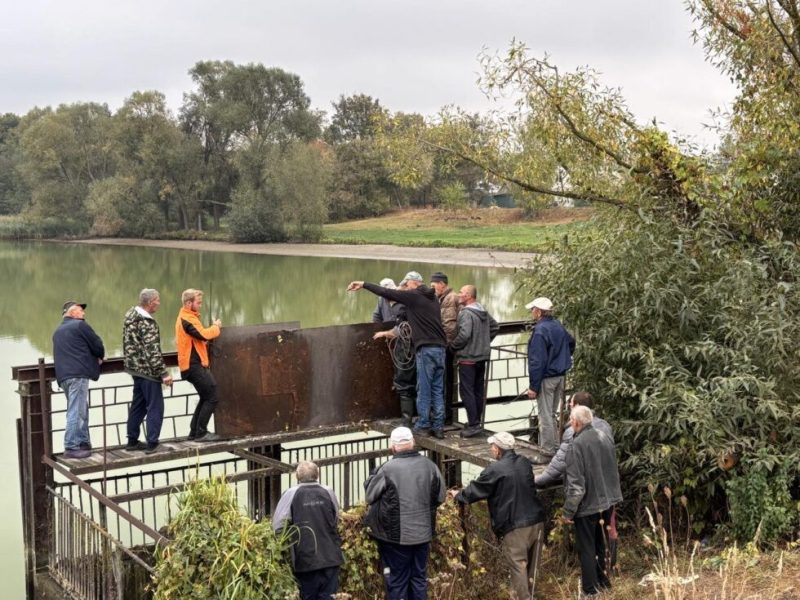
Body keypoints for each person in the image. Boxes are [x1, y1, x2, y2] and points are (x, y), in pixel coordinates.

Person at [348, 273, 447, 439]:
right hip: (440, 348)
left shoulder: (414, 296)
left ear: (413, 283)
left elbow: (387, 293)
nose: (405, 288)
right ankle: (438, 427)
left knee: (423, 389)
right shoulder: (433, 298)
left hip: (426, 349)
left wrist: (364, 284)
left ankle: (423, 424)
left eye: (407, 285)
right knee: (437, 390)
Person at [451, 432, 545, 600]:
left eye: (492, 446)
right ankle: (532, 595)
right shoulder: (524, 462)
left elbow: (476, 490)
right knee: (533, 568)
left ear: (498, 449)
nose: (491, 449)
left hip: (515, 525)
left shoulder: (495, 469)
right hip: (537, 520)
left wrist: (458, 495)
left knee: (518, 567)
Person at [364, 426, 445, 600]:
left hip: (395, 538)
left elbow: (370, 497)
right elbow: (440, 497)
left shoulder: (387, 469)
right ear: (413, 443)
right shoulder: (430, 466)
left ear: (392, 446)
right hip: (423, 534)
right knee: (419, 579)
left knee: (397, 581)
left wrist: (371, 479)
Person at [562, 405, 622, 598]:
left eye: (571, 420)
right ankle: (603, 582)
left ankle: (589, 590)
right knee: (599, 543)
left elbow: (576, 486)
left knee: (586, 547)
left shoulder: (575, 445)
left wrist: (568, 511)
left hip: (588, 504)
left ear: (576, 423)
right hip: (608, 499)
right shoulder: (604, 436)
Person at [273, 461, 345, 600]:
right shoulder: (328, 491)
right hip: (331, 557)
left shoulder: (291, 494)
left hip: (305, 559)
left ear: (297, 476)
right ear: (317, 475)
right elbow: (337, 518)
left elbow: (278, 527)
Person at [123, 288, 174, 454]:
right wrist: (163, 373)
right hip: (147, 370)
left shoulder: (131, 318)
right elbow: (152, 351)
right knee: (155, 406)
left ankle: (132, 440)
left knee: (138, 405)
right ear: (150, 302)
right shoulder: (146, 322)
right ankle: (153, 443)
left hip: (135, 368)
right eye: (157, 300)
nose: (159, 303)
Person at [52, 301, 105, 459]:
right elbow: (97, 345)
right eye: (81, 311)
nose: (83, 314)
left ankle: (83, 442)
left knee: (80, 408)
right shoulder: (80, 326)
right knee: (76, 410)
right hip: (78, 375)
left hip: (64, 377)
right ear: (72, 312)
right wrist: (100, 356)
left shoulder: (57, 331)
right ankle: (71, 446)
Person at [525, 296, 575, 459]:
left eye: (533, 310)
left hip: (547, 378)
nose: (532, 312)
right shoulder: (557, 325)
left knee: (545, 415)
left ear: (539, 312)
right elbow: (571, 342)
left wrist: (533, 386)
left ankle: (547, 450)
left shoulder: (540, 330)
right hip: (560, 376)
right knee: (552, 413)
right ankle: (555, 447)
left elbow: (537, 361)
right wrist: (562, 358)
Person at [449, 284, 499, 437]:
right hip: (482, 357)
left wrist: (453, 346)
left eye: (461, 292)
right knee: (477, 389)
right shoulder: (482, 310)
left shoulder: (466, 313)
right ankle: (476, 421)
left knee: (466, 391)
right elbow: (495, 327)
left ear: (469, 296)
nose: (459, 294)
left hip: (468, 357)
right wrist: (484, 342)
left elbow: (464, 335)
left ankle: (473, 424)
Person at [535, 392, 613, 488]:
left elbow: (560, 462)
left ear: (577, 406)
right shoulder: (604, 425)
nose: (570, 405)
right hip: (608, 481)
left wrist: (539, 479)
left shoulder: (574, 431)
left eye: (572, 403)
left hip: (586, 487)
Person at [175, 288, 222, 441]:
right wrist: (216, 327)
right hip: (193, 365)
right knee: (212, 396)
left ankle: (194, 432)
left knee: (205, 396)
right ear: (189, 303)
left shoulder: (188, 317)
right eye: (198, 302)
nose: (200, 305)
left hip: (192, 364)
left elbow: (198, 338)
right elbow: (203, 334)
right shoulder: (187, 319)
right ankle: (201, 432)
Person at [373, 284, 417, 427]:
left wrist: (383, 333)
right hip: (419, 348)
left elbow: (400, 329)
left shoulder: (404, 307)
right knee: (420, 384)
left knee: (403, 383)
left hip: (406, 349)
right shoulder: (420, 304)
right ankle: (422, 419)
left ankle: (406, 420)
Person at [430, 272, 459, 424]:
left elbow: (449, 325)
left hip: (446, 346)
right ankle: (443, 415)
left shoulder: (450, 298)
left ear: (442, 284)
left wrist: (445, 344)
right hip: (444, 345)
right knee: (443, 380)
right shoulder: (443, 298)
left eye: (434, 285)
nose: (432, 288)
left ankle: (446, 416)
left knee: (446, 381)